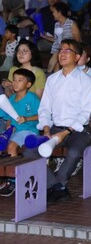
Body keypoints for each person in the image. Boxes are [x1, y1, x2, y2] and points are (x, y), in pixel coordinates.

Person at [36, 40, 91, 202]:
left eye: (67, 51)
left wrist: (65, 132)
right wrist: (46, 128)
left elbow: (85, 114)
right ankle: (57, 186)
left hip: (77, 130)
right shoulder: (52, 79)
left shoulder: (86, 81)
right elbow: (45, 108)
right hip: (54, 127)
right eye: (60, 50)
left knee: (74, 152)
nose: (61, 54)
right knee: (30, 151)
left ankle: (58, 184)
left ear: (77, 57)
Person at [0, 68, 40, 197]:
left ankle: (13, 179)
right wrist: (9, 128)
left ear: (28, 84)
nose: (15, 83)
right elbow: (8, 119)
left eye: (20, 80)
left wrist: (27, 118)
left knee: (11, 146)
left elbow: (41, 114)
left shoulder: (32, 98)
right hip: (16, 132)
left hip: (29, 131)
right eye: (14, 80)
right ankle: (4, 175)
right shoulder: (10, 99)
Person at [45, 2, 81, 73]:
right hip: (56, 49)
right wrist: (44, 36)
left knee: (56, 57)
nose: (52, 14)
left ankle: (48, 73)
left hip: (67, 50)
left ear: (59, 12)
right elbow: (55, 39)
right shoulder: (56, 24)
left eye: (54, 12)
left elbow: (77, 40)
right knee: (57, 65)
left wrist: (67, 47)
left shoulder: (71, 24)